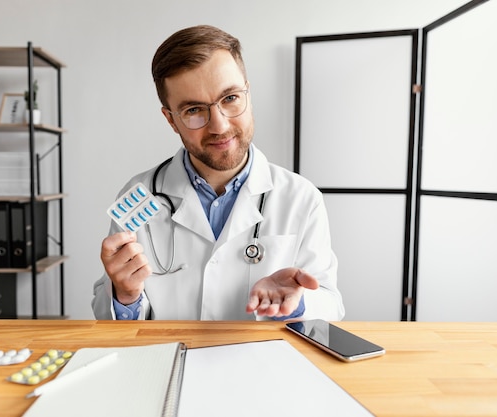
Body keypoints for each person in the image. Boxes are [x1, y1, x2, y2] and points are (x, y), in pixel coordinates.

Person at [92, 25, 344, 321]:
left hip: (260, 363)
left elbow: (330, 305)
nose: (219, 126)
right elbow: (107, 319)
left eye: (230, 98)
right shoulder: (139, 195)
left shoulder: (300, 197)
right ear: (171, 120)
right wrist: (125, 295)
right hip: (170, 361)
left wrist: (298, 302)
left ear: (247, 93)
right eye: (194, 110)